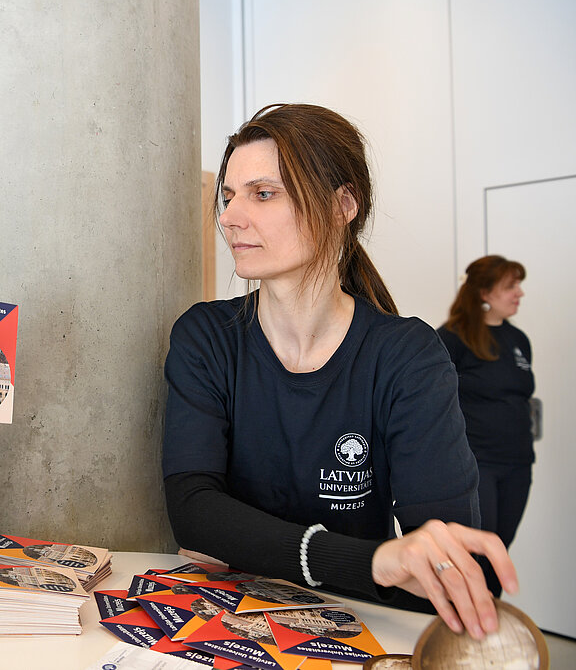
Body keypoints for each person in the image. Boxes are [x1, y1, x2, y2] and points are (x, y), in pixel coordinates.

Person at [163, 103, 517, 641]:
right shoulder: (206, 337)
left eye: (264, 194)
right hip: (224, 620)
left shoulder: (407, 356)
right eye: (229, 196)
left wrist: (245, 541)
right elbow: (194, 510)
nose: (230, 217)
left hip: (357, 631)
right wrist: (373, 562)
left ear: (341, 205)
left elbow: (442, 557)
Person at [437, 256, 534, 553]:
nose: (519, 293)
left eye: (518, 285)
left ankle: (491, 588)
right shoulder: (453, 337)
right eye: (510, 286)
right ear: (484, 293)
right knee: (479, 550)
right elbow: (435, 401)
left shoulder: (518, 339)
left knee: (501, 547)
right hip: (477, 463)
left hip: (518, 462)